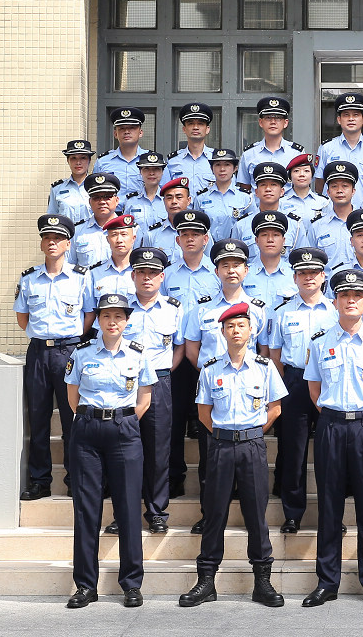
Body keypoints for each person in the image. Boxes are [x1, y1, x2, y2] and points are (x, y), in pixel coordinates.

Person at [178, 301, 288, 608]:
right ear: (223, 332)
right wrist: (226, 435)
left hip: (252, 446)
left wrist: (250, 432)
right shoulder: (211, 369)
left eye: (241, 325)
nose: (236, 331)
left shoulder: (264, 368)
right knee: (214, 514)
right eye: (230, 326)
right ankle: (206, 581)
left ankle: (262, 582)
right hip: (221, 446)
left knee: (256, 514)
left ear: (251, 330)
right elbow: (204, 413)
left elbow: (275, 408)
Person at [302, 269, 363, 608]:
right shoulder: (320, 342)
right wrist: (336, 414)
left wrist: (360, 414)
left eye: (357, 296)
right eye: (344, 295)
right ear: (335, 301)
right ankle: (327, 582)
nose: (351, 300)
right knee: (329, 507)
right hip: (331, 426)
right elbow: (314, 388)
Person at [64, 292, 155, 609]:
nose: (112, 321)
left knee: (128, 509)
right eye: (106, 316)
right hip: (87, 432)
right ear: (98, 320)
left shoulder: (138, 354)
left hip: (124, 432)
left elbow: (144, 398)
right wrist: (93, 419)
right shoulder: (82, 353)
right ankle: (85, 585)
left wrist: (122, 421)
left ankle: (131, 584)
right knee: (86, 510)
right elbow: (72, 396)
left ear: (127, 321)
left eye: (118, 316)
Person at [15, 215, 95, 502]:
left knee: (73, 417)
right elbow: (23, 318)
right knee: (38, 418)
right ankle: (40, 481)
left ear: (68, 244)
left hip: (69, 352)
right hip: (38, 353)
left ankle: (75, 478)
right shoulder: (29, 279)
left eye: (58, 238)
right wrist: (44, 337)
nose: (52, 243)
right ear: (41, 244)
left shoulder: (81, 277)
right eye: (47, 238)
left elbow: (89, 314)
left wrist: (69, 339)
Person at [266, 247, 338, 533]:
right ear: (294, 277)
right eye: (303, 273)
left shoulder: (335, 311)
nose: (308, 277)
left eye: (314, 273)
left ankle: (330, 516)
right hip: (294, 381)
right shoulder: (283, 312)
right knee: (292, 451)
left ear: (323, 276)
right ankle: (292, 514)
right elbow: (274, 355)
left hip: (329, 382)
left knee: (329, 453)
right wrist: (287, 384)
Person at [115, 247, 182, 536]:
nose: (147, 278)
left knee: (158, 451)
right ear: (133, 276)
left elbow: (180, 346)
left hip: (159, 384)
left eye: (153, 273)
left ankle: (156, 512)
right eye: (141, 272)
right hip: (125, 386)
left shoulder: (173, 308)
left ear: (162, 277)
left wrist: (161, 373)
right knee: (124, 452)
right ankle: (123, 514)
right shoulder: (120, 309)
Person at [161, 209, 222, 499]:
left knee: (210, 422)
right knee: (173, 422)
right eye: (184, 234)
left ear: (206, 239)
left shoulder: (217, 273)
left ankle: (215, 484)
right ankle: (174, 477)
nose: (189, 239)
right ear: (177, 240)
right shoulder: (168, 274)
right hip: (175, 357)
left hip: (207, 358)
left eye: (195, 234)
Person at [316, 92, 363, 203]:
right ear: (339, 120)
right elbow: (319, 184)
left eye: (356, 115)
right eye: (346, 115)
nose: (351, 119)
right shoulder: (326, 148)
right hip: (333, 210)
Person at [231, 162, 305, 257]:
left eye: (273, 184)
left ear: (282, 191)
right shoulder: (241, 225)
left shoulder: (295, 224)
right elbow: (235, 259)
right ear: (256, 192)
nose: (268, 189)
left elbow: (302, 258)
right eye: (263, 185)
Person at [238, 96, 306, 190]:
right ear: (260, 122)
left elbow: (302, 187)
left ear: (285, 123)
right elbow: (245, 189)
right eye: (268, 118)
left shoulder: (296, 153)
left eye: (278, 118)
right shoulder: (249, 154)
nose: (273, 122)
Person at [305, 161, 360, 270]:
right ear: (328, 192)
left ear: (353, 191)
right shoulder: (317, 226)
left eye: (345, 186)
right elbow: (309, 261)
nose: (339, 191)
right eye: (334, 186)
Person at [241, 210, 298, 310]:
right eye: (264, 235)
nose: (270, 240)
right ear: (256, 240)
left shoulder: (295, 274)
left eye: (276, 235)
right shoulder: (243, 275)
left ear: (283, 241)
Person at [69, 173, 122, 269]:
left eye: (107, 196)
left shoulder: (130, 230)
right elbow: (69, 266)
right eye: (96, 197)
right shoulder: (77, 231)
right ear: (90, 202)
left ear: (117, 200)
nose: (102, 201)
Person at [162, 103, 216, 196]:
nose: (195, 127)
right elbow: (166, 192)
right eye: (190, 123)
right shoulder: (172, 161)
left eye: (200, 124)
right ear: (184, 129)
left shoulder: (216, 159)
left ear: (207, 129)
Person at [197, 148, 253, 235]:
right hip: (209, 243)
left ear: (235, 168)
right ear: (212, 169)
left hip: (237, 243)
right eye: (218, 165)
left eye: (227, 164)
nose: (222, 169)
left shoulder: (246, 197)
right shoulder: (201, 198)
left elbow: (250, 227)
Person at [95, 108, 148, 198]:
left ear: (140, 133)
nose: (127, 132)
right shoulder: (102, 161)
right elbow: (95, 192)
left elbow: (163, 191)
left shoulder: (151, 161)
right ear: (115, 134)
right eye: (122, 128)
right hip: (113, 207)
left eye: (132, 128)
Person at [89, 214, 138, 304]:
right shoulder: (95, 273)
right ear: (108, 239)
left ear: (133, 238)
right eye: (114, 235)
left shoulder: (141, 272)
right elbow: (89, 309)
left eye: (124, 234)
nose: (119, 240)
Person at [48, 140, 95, 224]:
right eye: (73, 158)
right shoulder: (57, 188)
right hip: (66, 232)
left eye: (83, 158)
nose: (78, 163)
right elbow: (52, 217)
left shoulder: (96, 187)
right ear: (68, 161)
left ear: (89, 160)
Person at [122, 152, 169, 234]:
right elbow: (126, 229)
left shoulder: (169, 199)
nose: (151, 173)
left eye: (156, 169)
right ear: (140, 172)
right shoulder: (131, 201)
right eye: (146, 169)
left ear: (162, 172)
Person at [280, 153, 328, 220]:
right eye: (296, 171)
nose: (302, 174)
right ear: (290, 176)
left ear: (312, 175)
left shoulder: (323, 202)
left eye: (306, 171)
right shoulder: (280, 202)